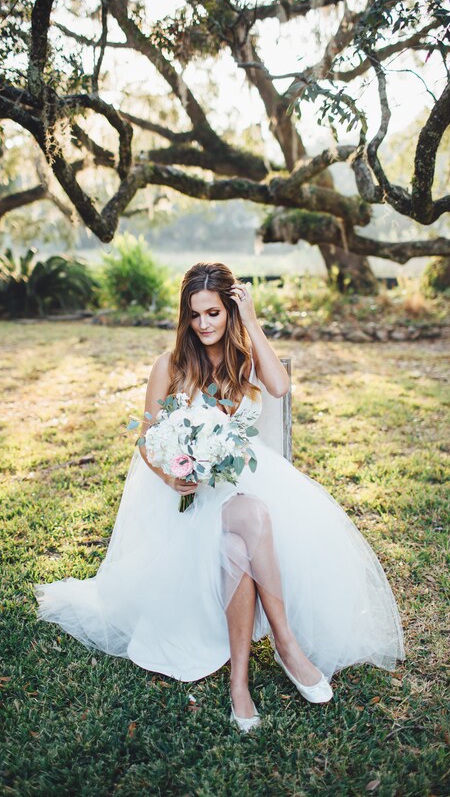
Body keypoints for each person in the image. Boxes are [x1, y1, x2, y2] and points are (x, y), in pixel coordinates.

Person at [35, 262, 404, 733]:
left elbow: (280, 386)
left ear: (227, 310)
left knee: (241, 535)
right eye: (195, 315)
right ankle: (286, 647)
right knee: (250, 520)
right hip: (186, 498)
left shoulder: (242, 360)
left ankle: (241, 681)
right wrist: (172, 477)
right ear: (184, 318)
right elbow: (147, 439)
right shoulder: (168, 366)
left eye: (214, 312)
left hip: (243, 484)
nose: (205, 324)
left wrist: (250, 319)